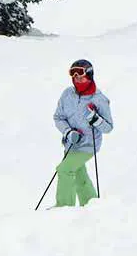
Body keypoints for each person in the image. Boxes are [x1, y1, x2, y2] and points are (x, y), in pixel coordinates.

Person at [52, 59, 113, 207]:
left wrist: (96, 120)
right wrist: (68, 132)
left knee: (65, 170)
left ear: (90, 76)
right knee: (79, 175)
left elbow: (108, 127)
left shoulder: (99, 99)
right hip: (71, 145)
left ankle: (64, 207)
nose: (78, 79)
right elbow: (58, 117)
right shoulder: (67, 94)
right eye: (75, 77)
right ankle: (89, 203)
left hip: (88, 145)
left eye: (81, 76)